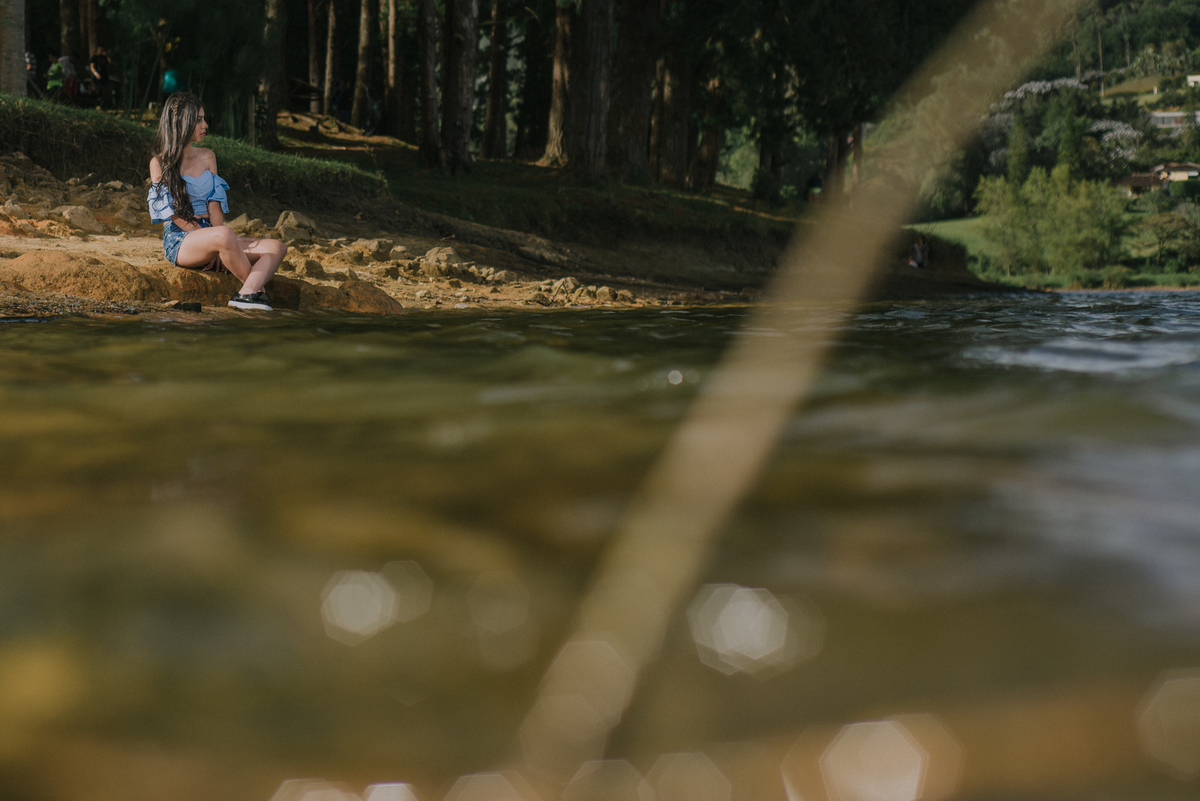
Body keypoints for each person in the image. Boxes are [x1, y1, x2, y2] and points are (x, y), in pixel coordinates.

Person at [148, 92, 287, 310]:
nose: (206, 124)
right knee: (224, 235)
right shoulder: (159, 163)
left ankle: (246, 294)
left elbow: (215, 207)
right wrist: (214, 239)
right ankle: (257, 291)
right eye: (199, 119)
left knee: (277, 247)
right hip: (181, 240)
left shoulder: (208, 156)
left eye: (204, 118)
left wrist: (219, 243)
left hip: (214, 233)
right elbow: (173, 215)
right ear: (182, 122)